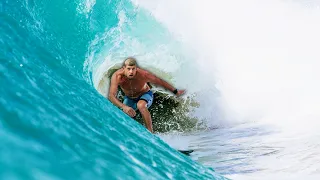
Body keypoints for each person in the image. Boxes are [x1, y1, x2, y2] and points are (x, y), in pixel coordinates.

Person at [108, 57, 185, 133]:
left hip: (145, 95)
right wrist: (124, 107)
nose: (131, 72)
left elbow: (160, 82)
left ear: (136, 68)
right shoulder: (117, 76)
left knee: (141, 105)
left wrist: (175, 91)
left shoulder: (144, 74)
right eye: (128, 69)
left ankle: (150, 132)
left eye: (133, 69)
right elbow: (111, 95)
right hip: (129, 98)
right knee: (124, 115)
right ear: (123, 68)